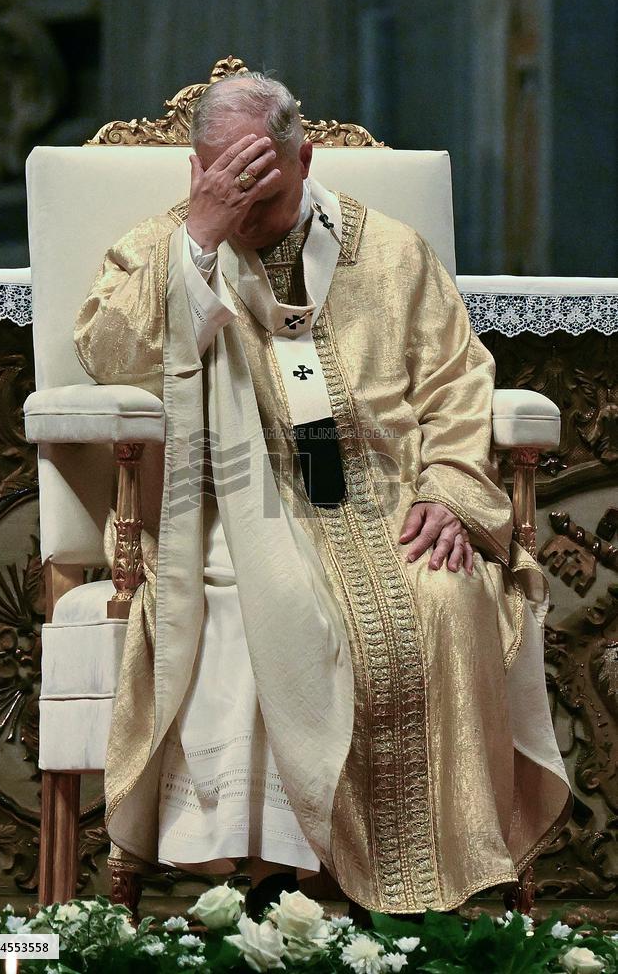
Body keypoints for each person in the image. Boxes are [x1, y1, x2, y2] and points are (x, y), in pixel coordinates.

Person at [74, 71, 572, 918]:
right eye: (224, 186)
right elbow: (109, 354)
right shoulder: (163, 250)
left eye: (262, 191)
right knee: (280, 604)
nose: (245, 212)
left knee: (446, 594)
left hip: (391, 500)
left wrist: (451, 492)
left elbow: (457, 386)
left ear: (304, 161)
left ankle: (427, 891)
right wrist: (201, 238)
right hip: (244, 507)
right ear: (197, 171)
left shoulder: (394, 254)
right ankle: (275, 873)